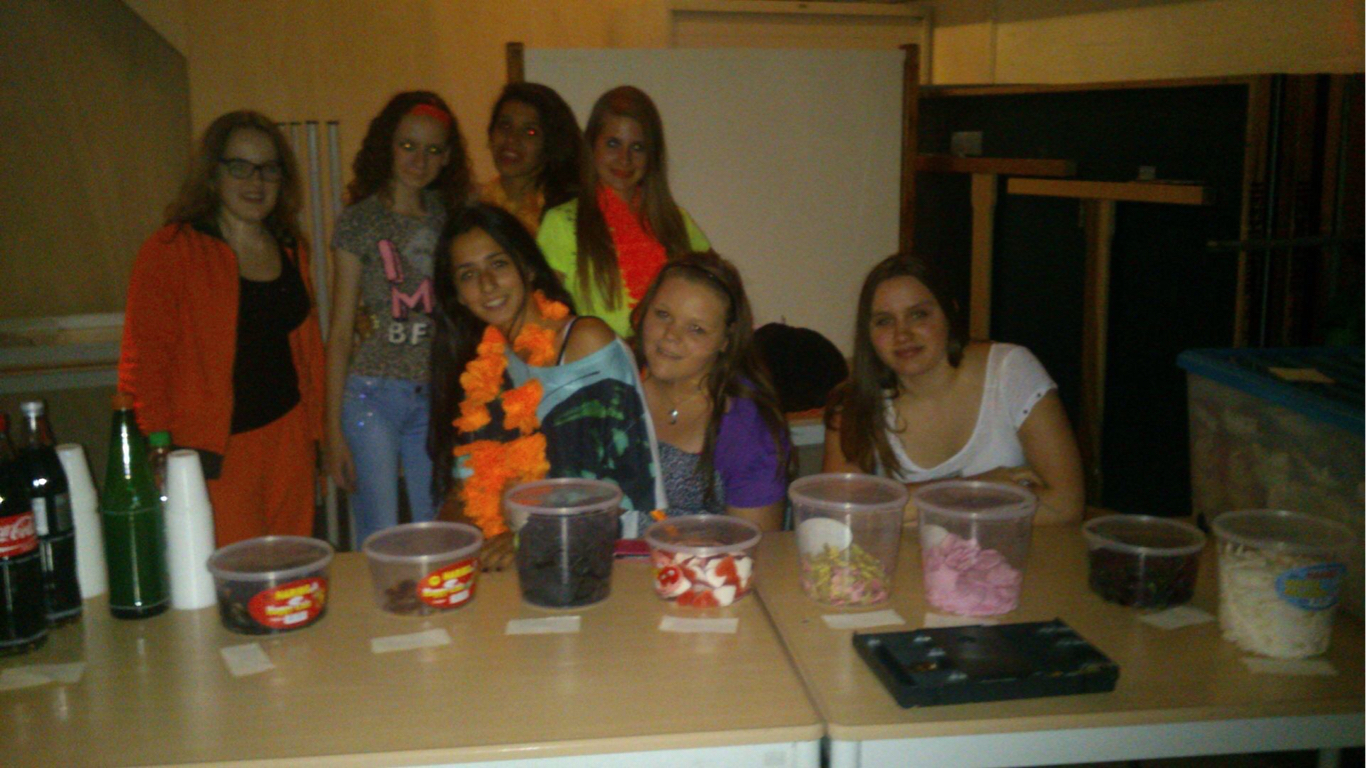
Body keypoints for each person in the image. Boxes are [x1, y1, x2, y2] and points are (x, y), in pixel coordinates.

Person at [119, 110, 325, 545]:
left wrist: (318, 433)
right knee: (233, 570)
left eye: (268, 169)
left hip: (288, 436)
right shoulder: (171, 249)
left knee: (292, 565)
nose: (256, 182)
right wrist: (156, 444)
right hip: (215, 449)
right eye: (240, 167)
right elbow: (146, 359)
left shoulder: (291, 247)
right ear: (213, 175)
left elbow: (307, 352)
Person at [429, 203, 663, 566]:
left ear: (527, 267)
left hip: (602, 561)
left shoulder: (585, 342)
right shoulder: (481, 370)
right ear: (457, 294)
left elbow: (618, 492)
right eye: (468, 274)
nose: (487, 284)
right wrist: (444, 545)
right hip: (513, 565)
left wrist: (523, 540)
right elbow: (463, 493)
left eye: (498, 264)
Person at [823, 254, 1084, 524]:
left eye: (918, 315)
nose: (902, 334)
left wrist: (903, 508)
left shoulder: (1010, 370)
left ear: (950, 312)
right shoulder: (852, 403)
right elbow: (840, 514)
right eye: (884, 321)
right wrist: (974, 491)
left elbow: (1066, 505)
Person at [325, 91, 472, 548]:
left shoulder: (450, 221)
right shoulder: (360, 221)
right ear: (387, 146)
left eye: (432, 149)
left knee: (439, 527)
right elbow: (340, 330)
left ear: (447, 157)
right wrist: (331, 430)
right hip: (371, 394)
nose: (418, 160)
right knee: (380, 531)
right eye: (408, 145)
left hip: (433, 397)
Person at [632, 252, 790, 532]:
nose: (670, 335)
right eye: (663, 315)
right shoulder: (613, 387)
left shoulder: (748, 427)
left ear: (725, 341)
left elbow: (756, 545)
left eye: (696, 329)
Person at [537, 85, 709, 337]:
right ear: (592, 147)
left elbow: (715, 296)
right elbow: (543, 320)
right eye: (613, 144)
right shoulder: (561, 223)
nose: (624, 159)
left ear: (652, 155)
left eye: (637, 147)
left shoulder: (676, 221)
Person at [477, 82, 585, 236]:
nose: (512, 139)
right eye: (505, 125)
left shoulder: (568, 212)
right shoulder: (476, 205)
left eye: (530, 131)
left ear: (551, 143)